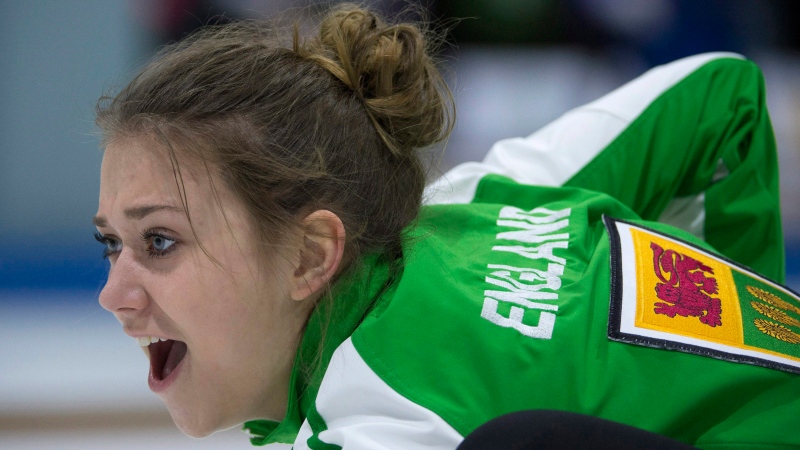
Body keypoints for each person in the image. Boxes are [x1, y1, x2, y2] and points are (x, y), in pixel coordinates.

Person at [92, 4, 800, 449]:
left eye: (160, 241)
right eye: (111, 245)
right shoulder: (486, 196)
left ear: (311, 257)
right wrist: (741, 324)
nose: (113, 293)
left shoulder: (378, 424)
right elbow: (720, 95)